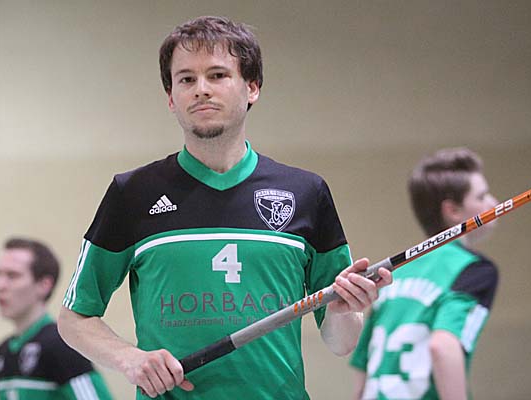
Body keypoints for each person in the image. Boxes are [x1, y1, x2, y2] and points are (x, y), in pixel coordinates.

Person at [57, 16, 392, 399]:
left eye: (217, 75)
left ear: (252, 88)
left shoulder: (307, 192)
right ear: (171, 98)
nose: (201, 89)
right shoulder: (131, 193)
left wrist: (343, 309)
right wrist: (129, 359)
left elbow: (343, 341)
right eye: (186, 79)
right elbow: (74, 317)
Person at [350, 148, 500, 400]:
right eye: (482, 196)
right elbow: (442, 346)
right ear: (453, 210)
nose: (493, 203)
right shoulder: (473, 269)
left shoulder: (392, 275)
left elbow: (363, 372)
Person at [0, 237, 113, 399]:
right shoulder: (3, 351)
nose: (0, 285)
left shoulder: (62, 344)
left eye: (12, 275)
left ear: (44, 285)